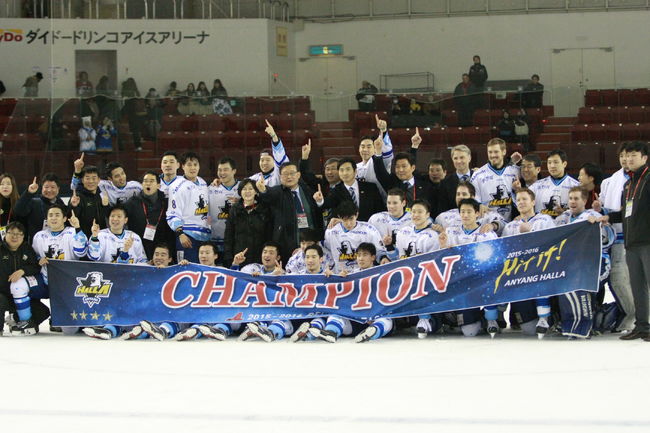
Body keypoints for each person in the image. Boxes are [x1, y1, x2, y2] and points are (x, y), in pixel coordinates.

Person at [598, 141, 650, 341]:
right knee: (637, 286)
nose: (629, 159)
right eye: (627, 155)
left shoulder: (648, 179)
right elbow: (625, 213)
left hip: (647, 241)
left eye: (634, 155)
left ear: (644, 158)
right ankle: (642, 326)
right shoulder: (628, 185)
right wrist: (607, 217)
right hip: (631, 242)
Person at [555, 187, 611, 339]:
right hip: (573, 265)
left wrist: (598, 226)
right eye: (570, 198)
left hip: (598, 263)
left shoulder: (593, 216)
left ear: (585, 201)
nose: (572, 202)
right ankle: (571, 322)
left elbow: (607, 239)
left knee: (581, 284)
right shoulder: (562, 218)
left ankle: (583, 325)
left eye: (576, 198)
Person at [439, 198, 499, 337]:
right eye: (462, 212)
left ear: (477, 213)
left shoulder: (487, 233)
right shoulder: (450, 232)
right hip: (460, 282)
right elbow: (442, 260)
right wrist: (442, 247)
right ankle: (477, 318)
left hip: (481, 279)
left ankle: (491, 318)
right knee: (469, 332)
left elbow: (494, 260)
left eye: (469, 212)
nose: (465, 215)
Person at [502, 188, 556, 338]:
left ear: (533, 202)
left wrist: (530, 234)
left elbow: (554, 242)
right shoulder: (510, 226)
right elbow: (505, 250)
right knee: (529, 330)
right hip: (519, 274)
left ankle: (546, 318)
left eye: (524, 199)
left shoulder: (545, 220)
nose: (521, 202)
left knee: (541, 281)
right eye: (518, 200)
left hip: (541, 268)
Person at [595, 146, 634, 331]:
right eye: (622, 156)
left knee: (640, 280)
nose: (625, 159)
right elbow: (606, 209)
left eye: (630, 155)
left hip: (639, 237)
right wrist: (599, 209)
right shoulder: (609, 181)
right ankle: (633, 315)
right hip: (616, 238)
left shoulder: (643, 180)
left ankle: (641, 317)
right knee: (618, 280)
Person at [255, 161, 323, 262]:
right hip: (286, 242)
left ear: (298, 175)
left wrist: (319, 201)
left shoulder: (307, 190)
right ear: (280, 177)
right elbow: (267, 195)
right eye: (285, 174)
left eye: (292, 173)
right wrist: (263, 190)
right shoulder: (277, 192)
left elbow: (318, 212)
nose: (289, 177)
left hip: (309, 241)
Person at [1, 222, 50, 336]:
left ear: (23, 236)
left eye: (19, 234)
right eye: (12, 233)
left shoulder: (27, 249)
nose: (15, 237)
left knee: (43, 312)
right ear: (5, 234)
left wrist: (23, 271)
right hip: (3, 294)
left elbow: (35, 267)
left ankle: (16, 319)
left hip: (22, 295)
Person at [371, 128, 435, 210]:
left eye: (404, 166)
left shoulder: (425, 184)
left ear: (413, 168)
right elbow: (380, 173)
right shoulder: (392, 183)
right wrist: (378, 151)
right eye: (397, 167)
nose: (400, 170)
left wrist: (414, 146)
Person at [166, 155, 210, 263]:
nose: (193, 168)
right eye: (189, 165)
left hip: (204, 237)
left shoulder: (203, 182)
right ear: (183, 166)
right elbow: (172, 213)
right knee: (186, 269)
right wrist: (180, 234)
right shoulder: (177, 186)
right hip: (187, 236)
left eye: (195, 165)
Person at [323, 201, 388, 274]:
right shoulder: (331, 232)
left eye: (351, 219)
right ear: (339, 217)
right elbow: (328, 252)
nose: (348, 223)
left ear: (356, 215)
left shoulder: (369, 230)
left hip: (365, 274)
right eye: (345, 220)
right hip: (341, 275)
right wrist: (328, 269)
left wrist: (383, 258)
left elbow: (379, 251)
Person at [314, 157, 385, 222]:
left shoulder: (370, 187)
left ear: (355, 171)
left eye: (348, 169)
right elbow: (327, 204)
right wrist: (320, 201)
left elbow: (380, 209)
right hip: (348, 229)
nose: (345, 173)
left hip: (369, 227)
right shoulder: (336, 190)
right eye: (341, 170)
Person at [123, 171, 175, 260]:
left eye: (151, 181)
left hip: (161, 248)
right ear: (142, 184)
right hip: (139, 246)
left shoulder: (166, 202)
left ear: (158, 185)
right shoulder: (132, 202)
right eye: (145, 181)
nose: (148, 183)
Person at [223, 178, 271, 268]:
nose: (247, 192)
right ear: (240, 192)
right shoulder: (234, 209)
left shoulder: (264, 209)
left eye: (250, 189)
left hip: (259, 257)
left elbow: (269, 234)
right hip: (239, 256)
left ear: (256, 191)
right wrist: (228, 257)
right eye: (244, 189)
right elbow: (228, 235)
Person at [471, 138, 521, 221]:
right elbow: (473, 200)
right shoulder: (478, 175)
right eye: (490, 152)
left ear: (504, 152)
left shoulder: (515, 171)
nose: (493, 155)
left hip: (511, 223)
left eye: (496, 152)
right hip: (487, 224)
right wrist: (478, 205)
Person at [434, 181, 505, 235]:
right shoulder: (444, 216)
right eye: (458, 194)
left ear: (472, 197)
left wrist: (493, 225)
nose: (460, 197)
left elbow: (505, 225)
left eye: (464, 194)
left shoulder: (485, 214)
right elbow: (430, 225)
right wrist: (437, 228)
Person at [14, 173, 65, 243]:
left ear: (58, 188)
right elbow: (18, 210)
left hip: (57, 244)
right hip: (36, 245)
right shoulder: (34, 202)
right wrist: (29, 193)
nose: (49, 190)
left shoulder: (61, 204)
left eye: (53, 187)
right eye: (46, 187)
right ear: (42, 188)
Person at [71, 156, 142, 205]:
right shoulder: (103, 185)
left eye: (122, 173)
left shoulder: (136, 186)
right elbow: (74, 187)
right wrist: (77, 170)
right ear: (110, 179)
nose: (121, 178)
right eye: (117, 176)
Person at [209, 157, 240, 260]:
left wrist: (241, 202)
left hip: (237, 241)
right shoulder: (211, 189)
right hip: (215, 241)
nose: (222, 173)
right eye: (220, 170)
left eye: (225, 169)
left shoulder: (243, 188)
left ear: (234, 171)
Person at [533, 149, 580, 218]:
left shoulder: (576, 186)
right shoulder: (536, 185)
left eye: (556, 162)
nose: (552, 166)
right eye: (549, 163)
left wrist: (564, 213)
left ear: (564, 164)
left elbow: (580, 212)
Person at [356, 115, 394, 198]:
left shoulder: (380, 162)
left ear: (375, 148)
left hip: (383, 202)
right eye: (362, 146)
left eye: (369, 147)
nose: (365, 149)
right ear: (359, 149)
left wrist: (383, 130)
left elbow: (386, 149)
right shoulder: (355, 167)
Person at [368, 188, 412, 258]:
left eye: (395, 203)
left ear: (403, 203)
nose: (391, 206)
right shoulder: (375, 219)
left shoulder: (413, 219)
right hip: (382, 260)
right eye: (389, 203)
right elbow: (368, 244)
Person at [68, 165, 110, 237]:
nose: (91, 181)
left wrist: (106, 206)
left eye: (94, 178)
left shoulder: (102, 195)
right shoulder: (77, 197)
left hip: (101, 237)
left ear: (99, 180)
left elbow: (107, 217)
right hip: (83, 237)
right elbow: (70, 219)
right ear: (82, 180)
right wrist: (74, 206)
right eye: (87, 178)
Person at [248, 120, 289, 188]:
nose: (264, 163)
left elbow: (280, 155)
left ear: (274, 161)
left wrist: (274, 136)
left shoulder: (278, 174)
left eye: (268, 160)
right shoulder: (253, 179)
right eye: (262, 160)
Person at [439, 145, 475, 213]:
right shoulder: (445, 183)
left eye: (462, 157)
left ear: (469, 158)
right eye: (455, 158)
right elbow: (443, 209)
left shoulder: (479, 177)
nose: (458, 161)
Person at [0, 173, 20, 239]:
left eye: (8, 184)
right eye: (2, 184)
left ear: (13, 186)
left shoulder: (19, 203)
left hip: (15, 238)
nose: (5, 187)